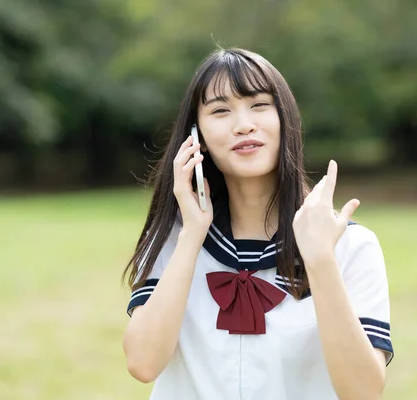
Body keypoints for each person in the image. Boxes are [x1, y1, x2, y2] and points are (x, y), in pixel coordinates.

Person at [121, 47, 394, 400]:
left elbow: (363, 392)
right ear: (196, 136)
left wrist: (321, 261)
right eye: (220, 110)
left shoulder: (350, 246)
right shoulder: (172, 239)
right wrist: (191, 237)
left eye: (260, 105)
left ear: (286, 119)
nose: (243, 124)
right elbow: (143, 364)